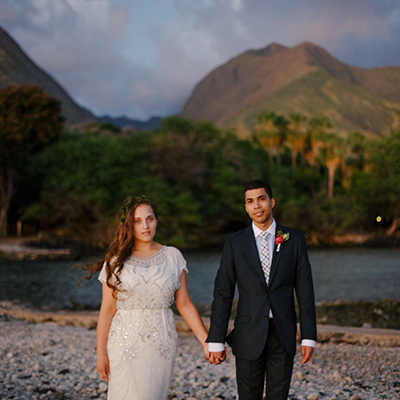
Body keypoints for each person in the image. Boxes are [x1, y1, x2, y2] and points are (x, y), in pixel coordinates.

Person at [81, 196, 210, 400]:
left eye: (150, 219)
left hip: (161, 343)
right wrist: (100, 353)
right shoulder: (115, 262)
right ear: (129, 225)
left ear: (156, 220)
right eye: (138, 221)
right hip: (124, 344)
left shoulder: (173, 257)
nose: (145, 226)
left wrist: (206, 341)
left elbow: (184, 303)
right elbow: (107, 309)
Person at [206, 180, 317, 400]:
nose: (257, 205)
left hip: (282, 334)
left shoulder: (294, 239)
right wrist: (215, 339)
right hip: (247, 334)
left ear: (272, 202)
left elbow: (305, 290)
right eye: (250, 201)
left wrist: (308, 337)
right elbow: (223, 292)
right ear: (246, 207)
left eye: (261, 199)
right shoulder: (234, 243)